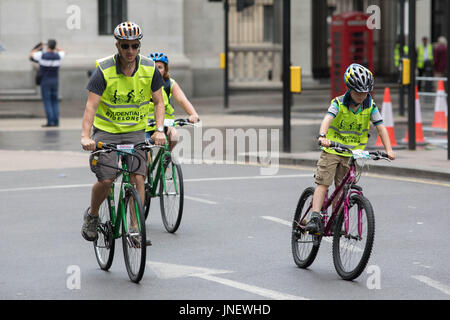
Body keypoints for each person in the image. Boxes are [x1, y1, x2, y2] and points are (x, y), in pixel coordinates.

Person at [80, 21, 167, 242]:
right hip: (106, 131)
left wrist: (158, 130)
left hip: (135, 131)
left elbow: (158, 102)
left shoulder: (149, 68)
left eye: (135, 46)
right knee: (107, 180)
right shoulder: (104, 70)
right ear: (117, 46)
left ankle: (135, 228)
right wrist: (85, 136)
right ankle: (92, 214)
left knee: (139, 178)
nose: (130, 51)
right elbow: (91, 106)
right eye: (125, 46)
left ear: (139, 46)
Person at [305, 63, 396, 235]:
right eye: (358, 92)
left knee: (342, 187)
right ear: (350, 89)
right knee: (323, 182)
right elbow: (327, 119)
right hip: (332, 149)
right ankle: (315, 217)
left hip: (351, 153)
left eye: (365, 92)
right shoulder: (338, 103)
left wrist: (389, 150)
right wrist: (322, 136)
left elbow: (381, 127)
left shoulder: (370, 105)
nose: (362, 95)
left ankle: (336, 220)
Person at [146, 52, 199, 151]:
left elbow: (183, 100)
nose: (157, 70)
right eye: (154, 67)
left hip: (165, 122)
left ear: (165, 69)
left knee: (174, 135)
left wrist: (193, 114)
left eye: (160, 67)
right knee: (145, 155)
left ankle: (167, 156)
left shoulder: (170, 83)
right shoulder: (143, 82)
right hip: (146, 124)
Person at [29, 39, 65, 127]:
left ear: (47, 46)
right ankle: (56, 122)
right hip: (55, 81)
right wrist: (55, 46)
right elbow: (64, 51)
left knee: (47, 102)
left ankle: (50, 122)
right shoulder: (59, 56)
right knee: (55, 102)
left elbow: (31, 54)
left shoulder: (42, 55)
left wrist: (40, 47)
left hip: (45, 82)